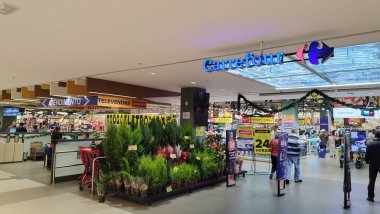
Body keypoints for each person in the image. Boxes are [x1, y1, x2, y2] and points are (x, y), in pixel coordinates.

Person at [365, 130, 380, 202]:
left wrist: (367, 161)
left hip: (373, 165)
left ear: (375, 136)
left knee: (372, 181)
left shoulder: (370, 144)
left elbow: (367, 155)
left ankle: (370, 197)